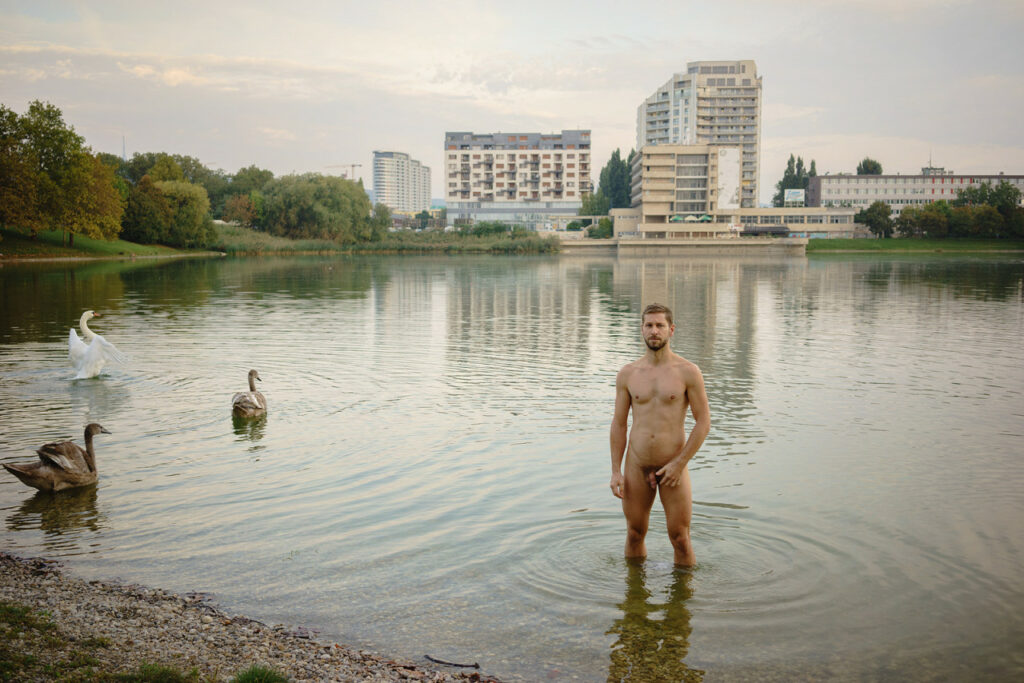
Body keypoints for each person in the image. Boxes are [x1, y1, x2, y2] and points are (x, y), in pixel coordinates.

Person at [609, 303, 710, 567]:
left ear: (671, 330)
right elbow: (619, 424)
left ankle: (683, 594)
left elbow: (703, 422)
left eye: (660, 326)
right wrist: (616, 471)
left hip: (672, 466)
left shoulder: (688, 372)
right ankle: (634, 592)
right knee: (634, 534)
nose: (654, 331)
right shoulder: (628, 374)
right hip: (637, 464)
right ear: (642, 329)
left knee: (680, 538)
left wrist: (679, 463)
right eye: (649, 325)